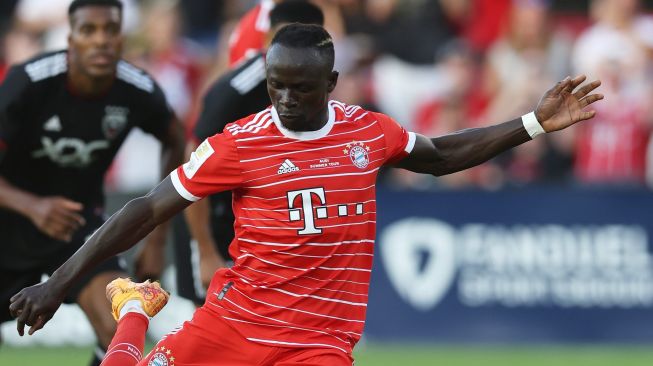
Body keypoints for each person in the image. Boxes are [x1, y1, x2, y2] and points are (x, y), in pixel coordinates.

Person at [9, 24, 602, 366]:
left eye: (301, 88)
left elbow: (443, 156)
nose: (286, 99)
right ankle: (135, 308)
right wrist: (58, 283)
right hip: (233, 324)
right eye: (276, 86)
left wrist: (531, 123)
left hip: (318, 340)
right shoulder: (236, 144)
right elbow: (144, 209)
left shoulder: (369, 132)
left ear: (332, 84)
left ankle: (134, 308)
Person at [0, 0, 184, 365]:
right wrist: (33, 206)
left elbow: (176, 139)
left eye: (110, 30)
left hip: (77, 225)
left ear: (123, 38)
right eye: (89, 31)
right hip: (8, 222)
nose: (101, 40)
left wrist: (157, 240)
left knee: (119, 326)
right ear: (71, 39)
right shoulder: (29, 82)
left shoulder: (138, 90)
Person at [173, 0, 325, 305]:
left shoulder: (317, 88)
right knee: (211, 328)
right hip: (215, 221)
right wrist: (205, 251)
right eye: (285, 40)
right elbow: (193, 162)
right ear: (268, 40)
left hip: (261, 224)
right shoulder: (236, 89)